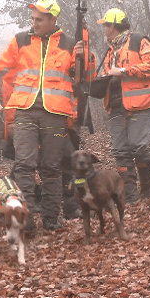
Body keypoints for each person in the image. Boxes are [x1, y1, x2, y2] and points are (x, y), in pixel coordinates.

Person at [0, 0, 83, 231]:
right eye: (32, 18)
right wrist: (23, 82)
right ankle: (28, 217)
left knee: (52, 168)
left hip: (55, 113)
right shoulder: (20, 40)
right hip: (25, 110)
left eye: (39, 19)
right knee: (24, 165)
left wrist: (86, 55)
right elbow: (2, 69)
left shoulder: (69, 43)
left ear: (53, 20)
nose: (34, 23)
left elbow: (82, 77)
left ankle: (51, 219)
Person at [96, 8, 150, 203]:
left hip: (141, 104)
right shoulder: (110, 50)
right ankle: (131, 198)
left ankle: (149, 192)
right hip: (116, 106)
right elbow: (111, 74)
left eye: (106, 26)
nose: (104, 29)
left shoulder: (139, 41)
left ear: (113, 26)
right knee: (120, 151)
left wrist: (124, 70)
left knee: (139, 146)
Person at [61, 21, 97, 220]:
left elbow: (86, 79)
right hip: (54, 114)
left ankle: (74, 203)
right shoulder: (58, 53)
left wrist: (84, 57)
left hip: (71, 118)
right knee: (52, 162)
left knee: (70, 160)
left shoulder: (83, 55)